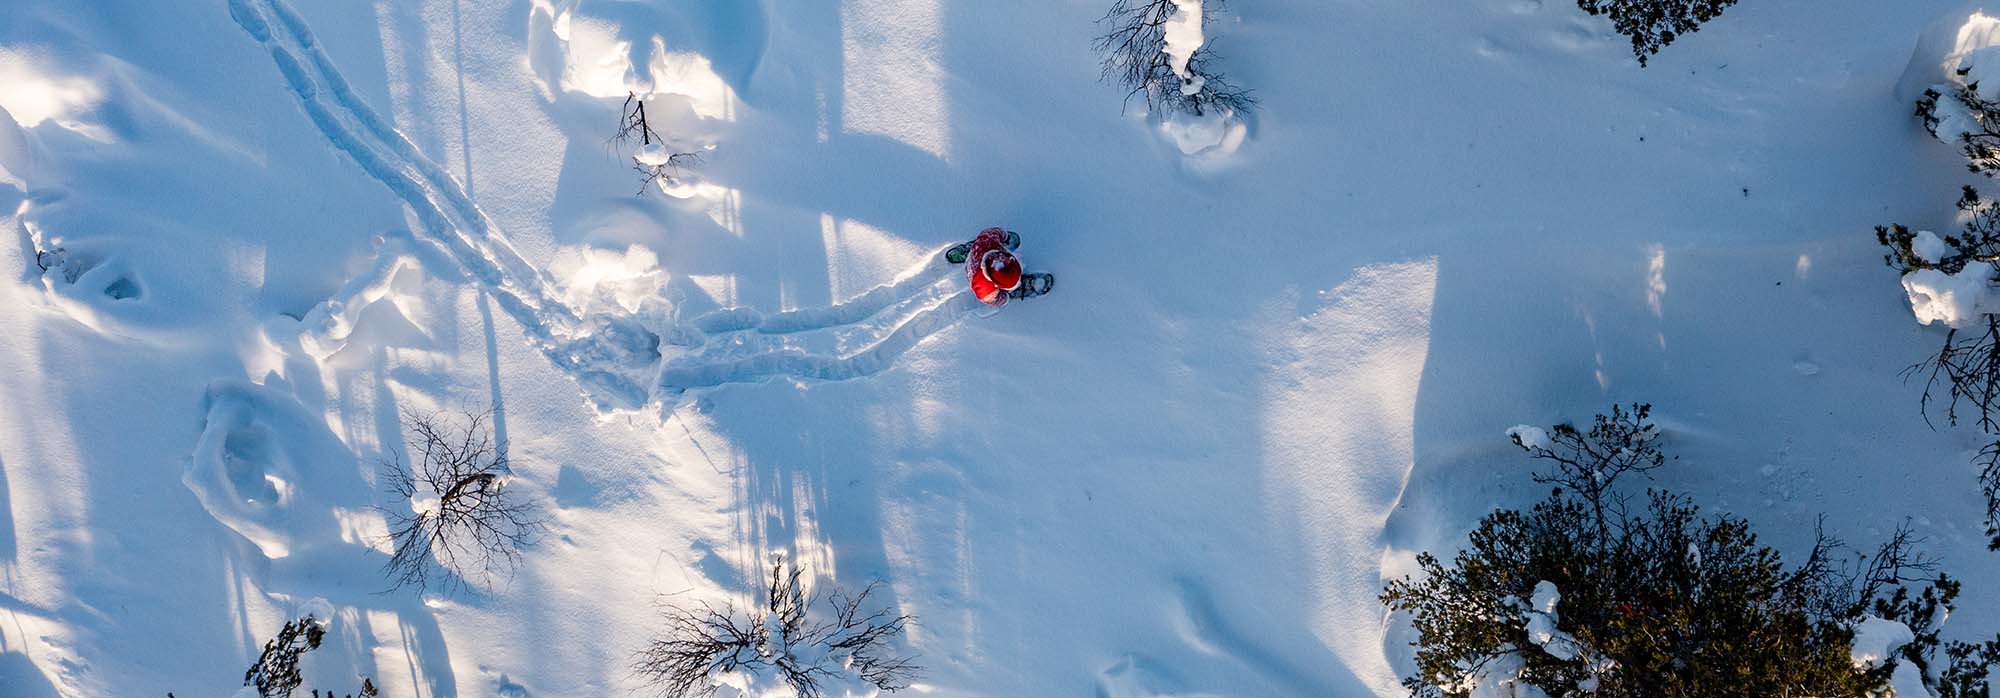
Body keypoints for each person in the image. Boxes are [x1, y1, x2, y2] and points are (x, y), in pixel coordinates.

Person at [964, 227, 1023, 307]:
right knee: (999, 295)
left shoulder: (989, 241)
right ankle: (1010, 291)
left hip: (980, 250)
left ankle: (973, 249)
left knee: (980, 245)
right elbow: (992, 300)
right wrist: (1004, 298)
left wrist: (1004, 236)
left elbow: (992, 232)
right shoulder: (985, 289)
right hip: (972, 271)